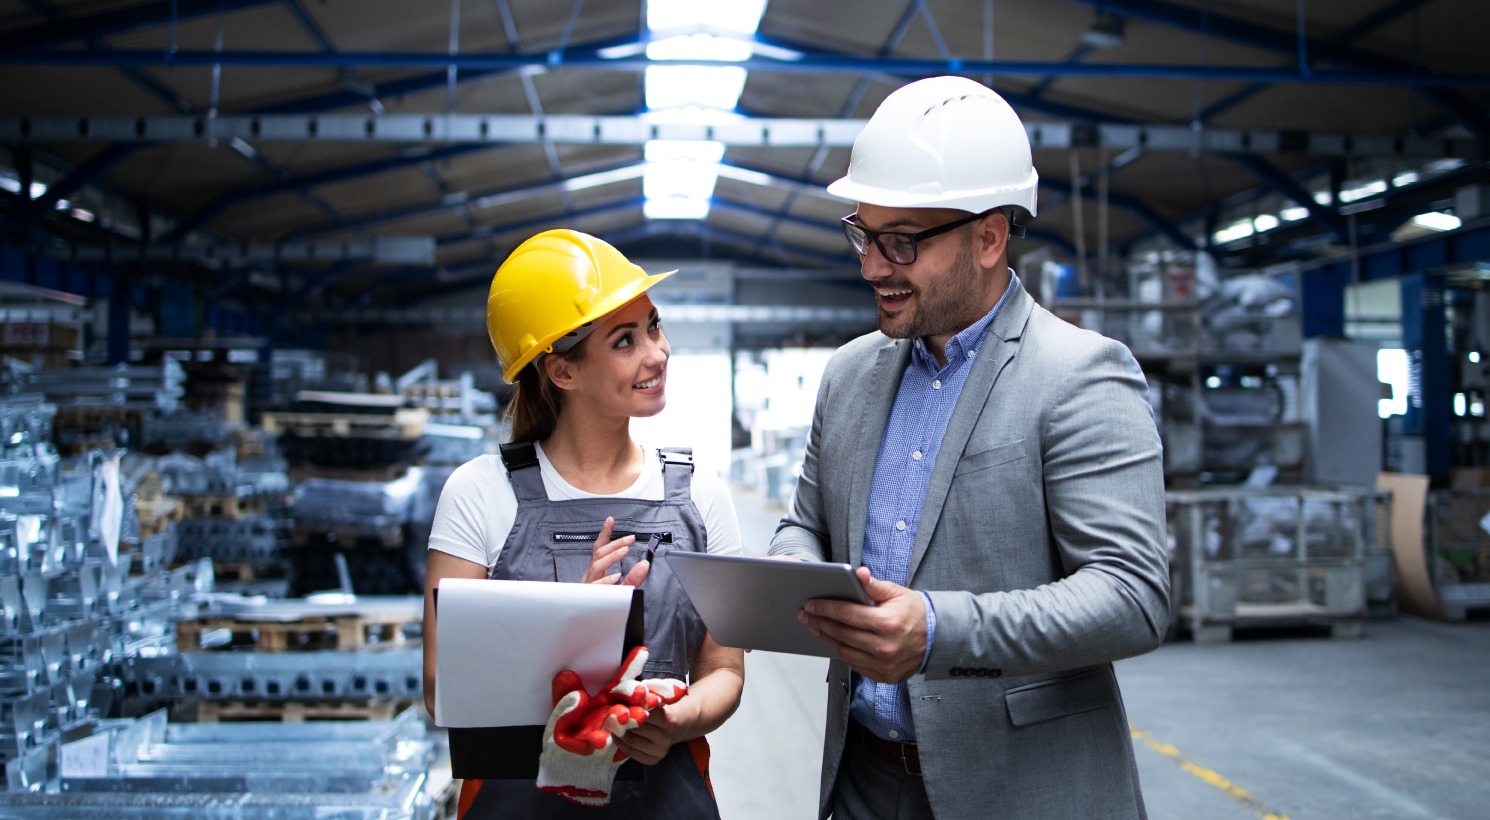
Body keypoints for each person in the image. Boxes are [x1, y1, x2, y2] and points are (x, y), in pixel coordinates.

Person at [768, 76, 1171, 819]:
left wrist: (939, 630)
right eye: (864, 233)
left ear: (989, 236)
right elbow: (806, 521)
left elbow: (1132, 596)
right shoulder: (851, 374)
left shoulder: (1078, 374)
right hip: (861, 780)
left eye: (901, 242)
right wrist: (793, 570)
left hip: (1018, 788)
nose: (871, 267)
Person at [422, 229, 746, 818]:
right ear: (562, 373)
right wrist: (569, 628)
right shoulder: (479, 493)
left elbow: (723, 670)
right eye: (625, 341)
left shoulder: (700, 495)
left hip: (664, 794)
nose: (658, 352)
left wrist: (676, 721)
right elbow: (442, 688)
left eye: (653, 325)